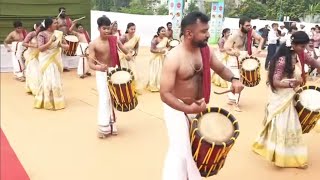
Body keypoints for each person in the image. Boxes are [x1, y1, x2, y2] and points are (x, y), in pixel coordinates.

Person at [160, 11, 244, 180]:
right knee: (181, 152)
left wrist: (234, 79)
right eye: (204, 31)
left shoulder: (206, 51)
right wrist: (187, 107)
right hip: (177, 109)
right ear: (189, 33)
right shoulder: (173, 58)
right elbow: (165, 94)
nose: (208, 34)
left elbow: (221, 69)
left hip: (198, 108)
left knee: (192, 151)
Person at [252, 31, 320, 169]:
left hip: (291, 93)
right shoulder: (282, 59)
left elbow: (312, 61)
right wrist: (291, 84)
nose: (304, 49)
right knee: (287, 125)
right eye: (302, 46)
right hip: (281, 95)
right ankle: (286, 157)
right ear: (293, 45)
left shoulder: (300, 54)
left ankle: (276, 150)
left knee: (285, 125)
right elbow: (275, 81)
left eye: (305, 46)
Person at [87, 16, 132, 138]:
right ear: (98, 28)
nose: (107, 31)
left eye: (108, 28)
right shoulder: (93, 44)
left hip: (114, 71)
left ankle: (112, 124)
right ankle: (103, 127)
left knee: (113, 98)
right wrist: (98, 68)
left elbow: (124, 49)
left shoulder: (114, 39)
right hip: (101, 73)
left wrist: (128, 55)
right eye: (104, 28)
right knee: (104, 98)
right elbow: (90, 64)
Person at [224, 16, 264, 112]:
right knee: (238, 82)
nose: (249, 27)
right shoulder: (234, 35)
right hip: (234, 60)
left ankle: (231, 99)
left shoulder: (250, 32)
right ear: (241, 25)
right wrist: (233, 52)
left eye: (250, 25)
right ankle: (235, 103)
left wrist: (259, 48)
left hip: (244, 58)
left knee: (239, 81)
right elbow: (226, 48)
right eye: (247, 25)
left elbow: (261, 39)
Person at [34, 17, 69, 110]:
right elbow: (40, 48)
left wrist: (60, 45)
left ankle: (56, 102)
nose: (57, 24)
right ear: (49, 25)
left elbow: (67, 46)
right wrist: (50, 41)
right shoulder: (41, 34)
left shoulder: (59, 34)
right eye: (55, 23)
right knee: (49, 81)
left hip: (56, 60)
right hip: (46, 60)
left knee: (55, 81)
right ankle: (48, 102)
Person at [119, 23, 143, 94]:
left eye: (134, 29)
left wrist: (134, 54)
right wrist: (125, 55)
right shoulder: (123, 37)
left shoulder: (136, 37)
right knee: (125, 73)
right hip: (123, 57)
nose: (133, 30)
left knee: (133, 72)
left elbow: (136, 47)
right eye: (131, 29)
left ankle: (132, 88)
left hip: (131, 57)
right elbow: (118, 47)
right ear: (127, 29)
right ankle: (125, 88)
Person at [147, 26, 169, 92]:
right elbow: (151, 50)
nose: (164, 32)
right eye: (162, 31)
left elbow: (168, 46)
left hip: (163, 58)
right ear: (158, 32)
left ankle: (162, 85)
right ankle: (154, 85)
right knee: (156, 72)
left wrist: (166, 50)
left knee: (163, 72)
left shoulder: (166, 39)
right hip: (156, 59)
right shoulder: (155, 39)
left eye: (164, 31)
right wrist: (160, 51)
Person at [22, 22, 41, 95]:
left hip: (39, 55)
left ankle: (36, 87)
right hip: (31, 55)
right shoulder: (31, 34)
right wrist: (33, 45)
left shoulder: (42, 34)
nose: (41, 29)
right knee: (34, 71)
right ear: (36, 27)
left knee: (39, 71)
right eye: (39, 27)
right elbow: (24, 43)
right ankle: (35, 89)